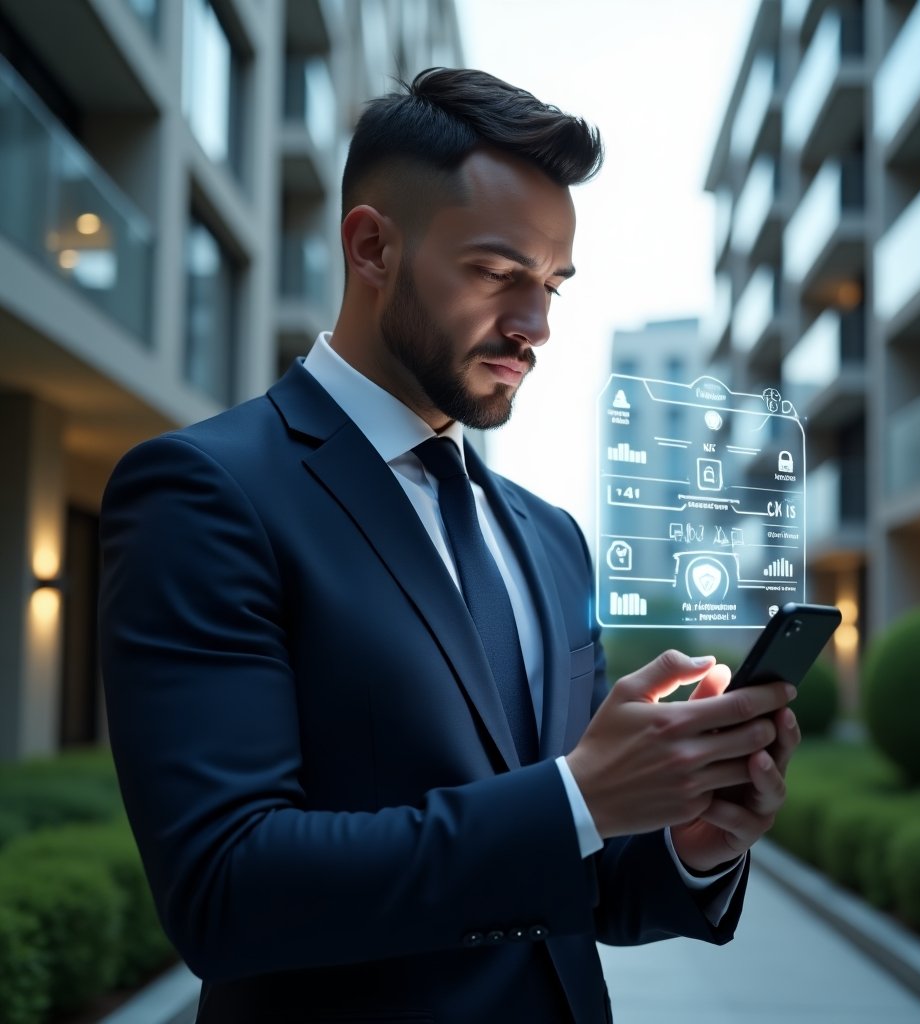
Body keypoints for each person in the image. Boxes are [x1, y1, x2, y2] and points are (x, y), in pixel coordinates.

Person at [99, 67, 800, 1023]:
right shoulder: (206, 492)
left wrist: (694, 840)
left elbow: (573, 885)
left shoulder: (549, 540)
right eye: (499, 273)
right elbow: (225, 890)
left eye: (552, 285)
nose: (537, 326)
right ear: (371, 245)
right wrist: (578, 799)